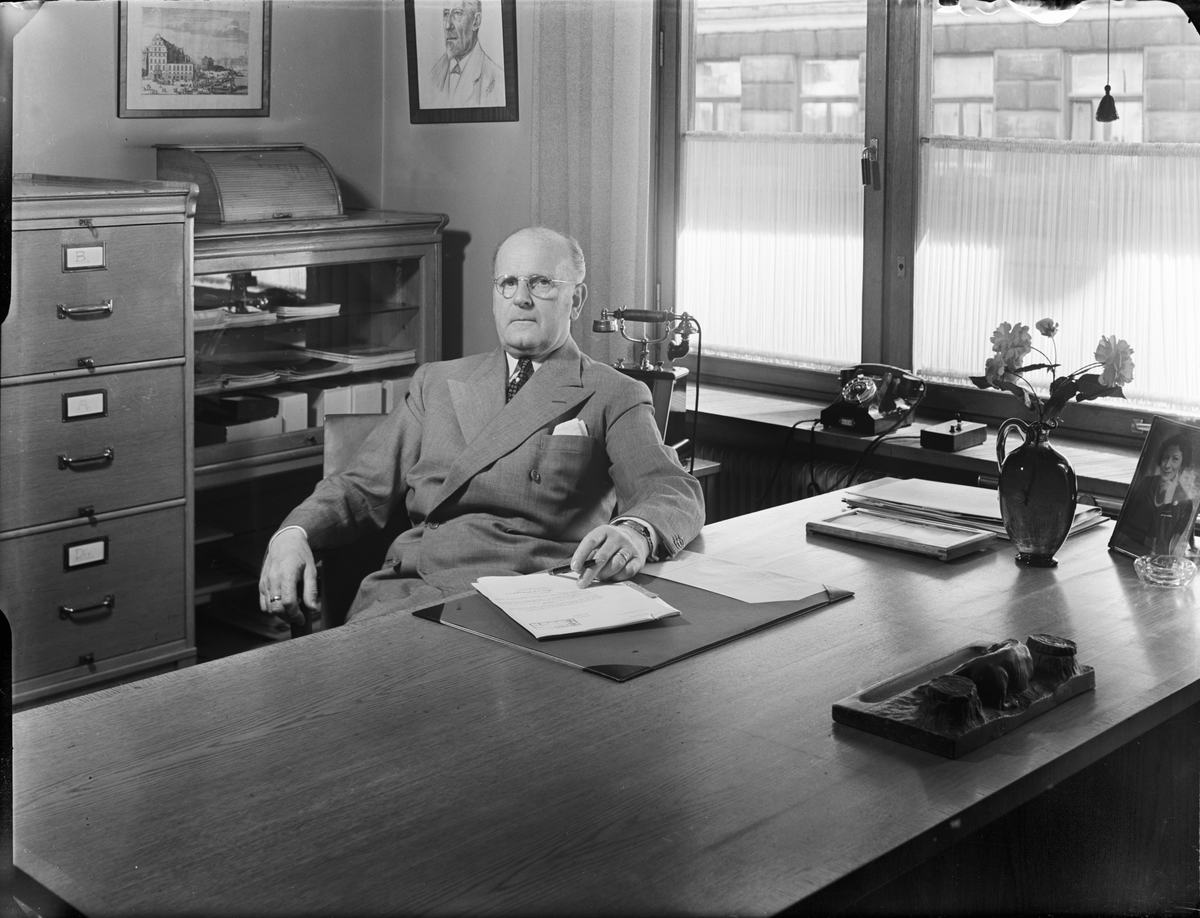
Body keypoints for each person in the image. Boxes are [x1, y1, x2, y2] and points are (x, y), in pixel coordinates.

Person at [259, 226, 706, 624]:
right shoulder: (437, 382)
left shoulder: (613, 392)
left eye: (541, 283)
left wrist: (634, 532)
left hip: (532, 600)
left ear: (576, 300)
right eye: (508, 283)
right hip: (414, 590)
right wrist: (292, 533)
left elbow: (671, 489)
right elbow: (359, 488)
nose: (521, 298)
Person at [1118, 434, 1196, 557]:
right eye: (1166, 457)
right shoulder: (1147, 483)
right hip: (1126, 553)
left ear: (1183, 464)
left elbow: (1164, 550)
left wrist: (1168, 503)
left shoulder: (1185, 504)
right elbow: (1123, 528)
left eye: (1175, 459)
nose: (1167, 465)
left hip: (1155, 563)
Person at [425, 0, 504, 109]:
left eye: (457, 13)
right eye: (446, 14)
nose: (447, 25)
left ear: (476, 22)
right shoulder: (431, 76)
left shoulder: (496, 80)